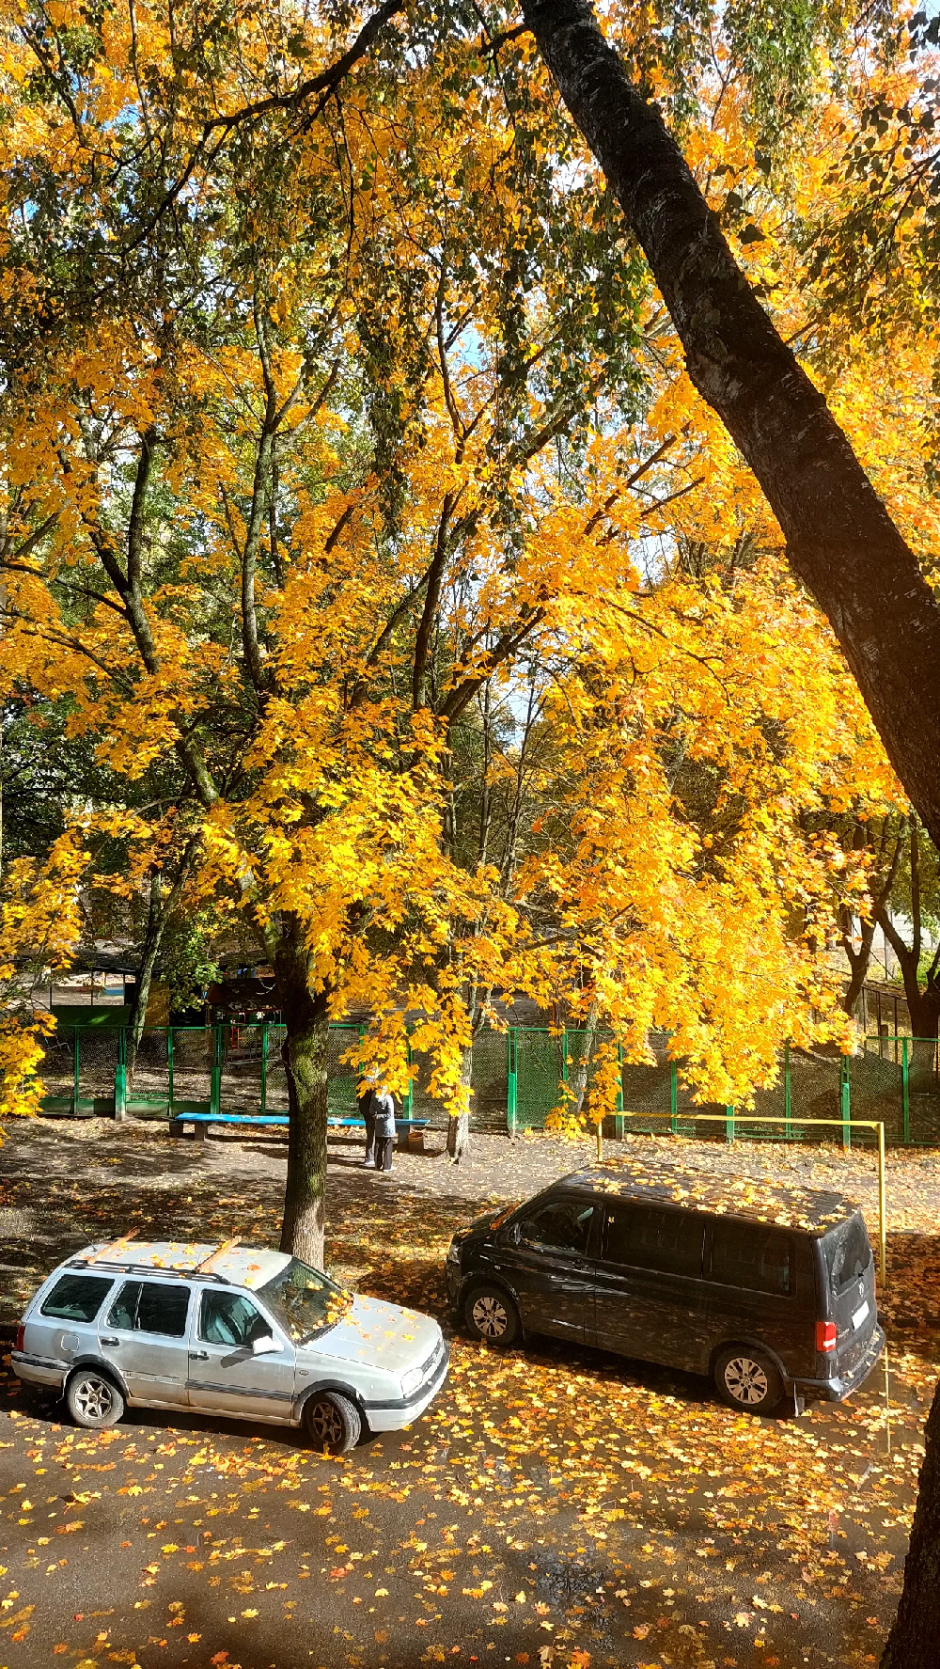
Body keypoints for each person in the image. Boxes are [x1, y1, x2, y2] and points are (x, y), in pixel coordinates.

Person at [372, 1086, 396, 1173]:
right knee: (388, 1146)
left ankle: (377, 1165)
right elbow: (390, 1114)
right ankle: (387, 1166)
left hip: (378, 1125)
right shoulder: (388, 1098)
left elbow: (371, 1110)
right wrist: (380, 1116)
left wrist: (376, 1116)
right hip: (387, 1125)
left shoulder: (374, 1097)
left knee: (378, 1145)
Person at [358, 1075, 377, 1167]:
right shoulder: (370, 1082)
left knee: (371, 1134)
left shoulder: (361, 1080)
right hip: (371, 1113)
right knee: (372, 1135)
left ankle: (371, 1157)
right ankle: (370, 1157)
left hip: (365, 1111)